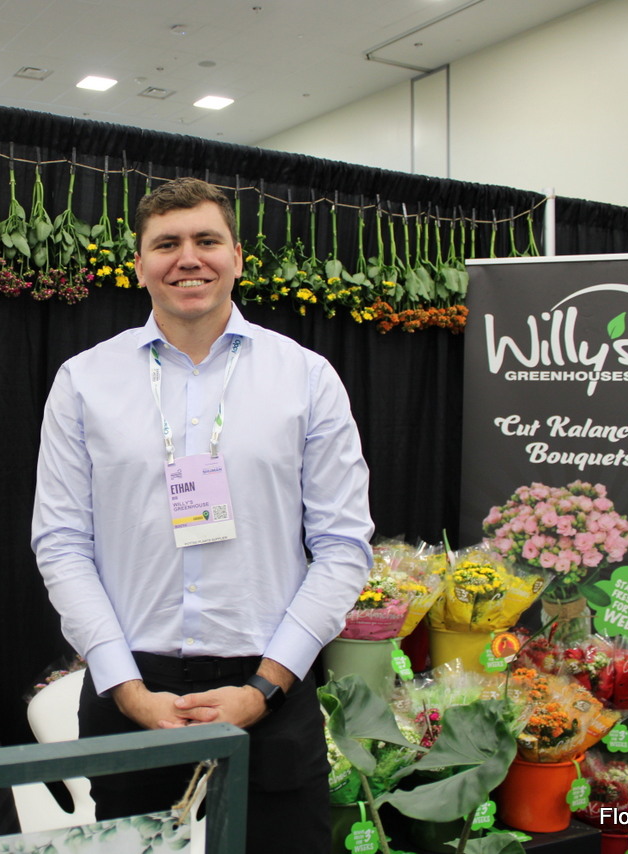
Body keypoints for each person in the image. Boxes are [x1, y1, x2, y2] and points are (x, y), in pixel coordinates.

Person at [31, 176, 373, 850]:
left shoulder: (306, 378)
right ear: (139, 265)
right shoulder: (83, 381)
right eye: (167, 244)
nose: (188, 258)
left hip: (269, 688)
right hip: (133, 693)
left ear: (237, 257)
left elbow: (342, 545)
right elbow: (62, 542)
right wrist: (126, 688)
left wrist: (265, 687)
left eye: (206, 240)